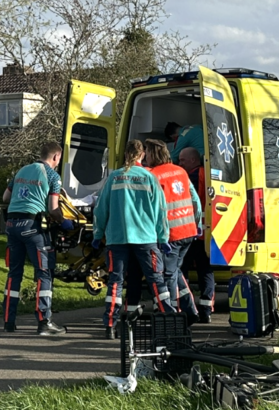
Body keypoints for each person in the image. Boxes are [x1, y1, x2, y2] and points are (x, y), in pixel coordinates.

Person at [92, 139, 173, 339]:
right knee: (156, 281)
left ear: (126, 154)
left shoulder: (114, 177)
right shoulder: (149, 177)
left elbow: (101, 210)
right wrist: (163, 237)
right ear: (142, 154)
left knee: (115, 282)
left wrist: (98, 234)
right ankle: (169, 321)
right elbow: (161, 211)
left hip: (117, 239)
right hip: (145, 238)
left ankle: (110, 325)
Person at [1, 142, 71, 336]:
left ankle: (8, 321)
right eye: (58, 159)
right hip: (32, 227)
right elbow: (53, 208)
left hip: (12, 225)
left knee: (14, 273)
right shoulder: (52, 176)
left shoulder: (21, 170)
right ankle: (44, 322)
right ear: (56, 157)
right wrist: (64, 222)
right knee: (44, 273)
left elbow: (5, 197)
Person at [144, 139, 203, 323]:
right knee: (176, 271)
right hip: (188, 231)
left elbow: (151, 208)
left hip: (171, 235)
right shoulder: (181, 171)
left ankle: (174, 315)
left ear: (152, 154)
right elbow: (195, 200)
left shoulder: (153, 175)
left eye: (147, 152)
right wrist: (197, 224)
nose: (145, 157)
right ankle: (190, 310)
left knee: (169, 275)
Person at [177, 146, 216, 323]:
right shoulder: (207, 174)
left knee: (182, 270)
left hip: (190, 231)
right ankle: (206, 309)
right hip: (205, 232)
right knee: (205, 270)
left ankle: (187, 307)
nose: (180, 164)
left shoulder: (191, 176)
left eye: (182, 160)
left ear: (193, 160)